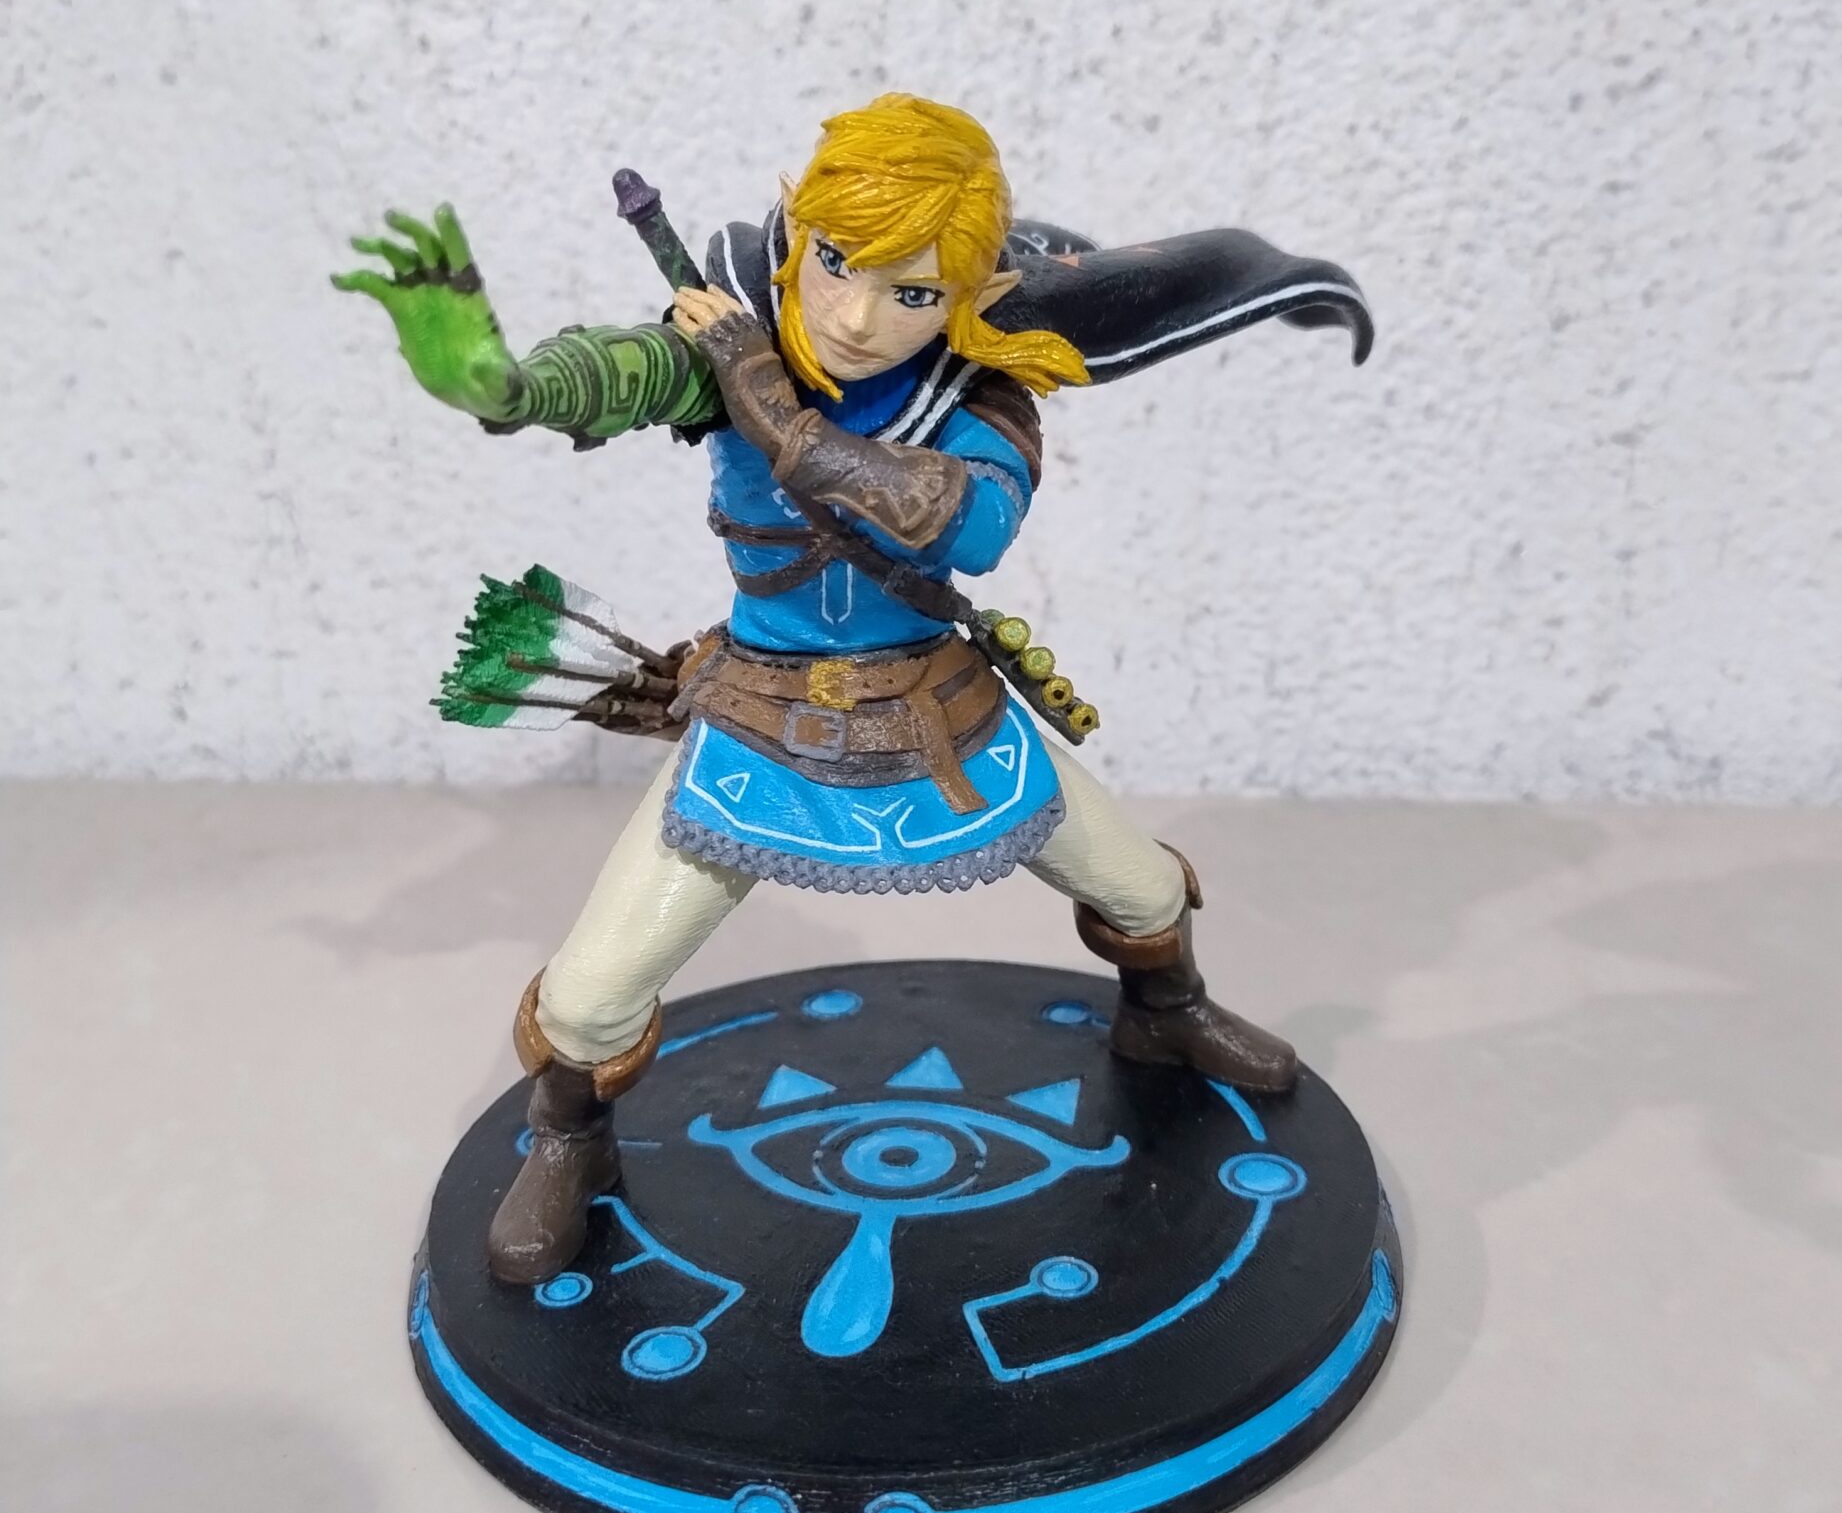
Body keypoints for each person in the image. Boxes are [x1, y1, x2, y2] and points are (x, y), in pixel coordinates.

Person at [336, 93, 1299, 1285]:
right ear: (796, 233)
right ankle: (569, 1136)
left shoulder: (980, 391)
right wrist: (508, 387)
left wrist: (778, 415)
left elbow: (967, 524)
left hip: (943, 715)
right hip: (761, 721)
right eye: (835, 262)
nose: (852, 317)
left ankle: (1164, 1015)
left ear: (964, 296)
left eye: (911, 293)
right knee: (588, 999)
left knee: (1142, 887)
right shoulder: (729, 344)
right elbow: (625, 372)